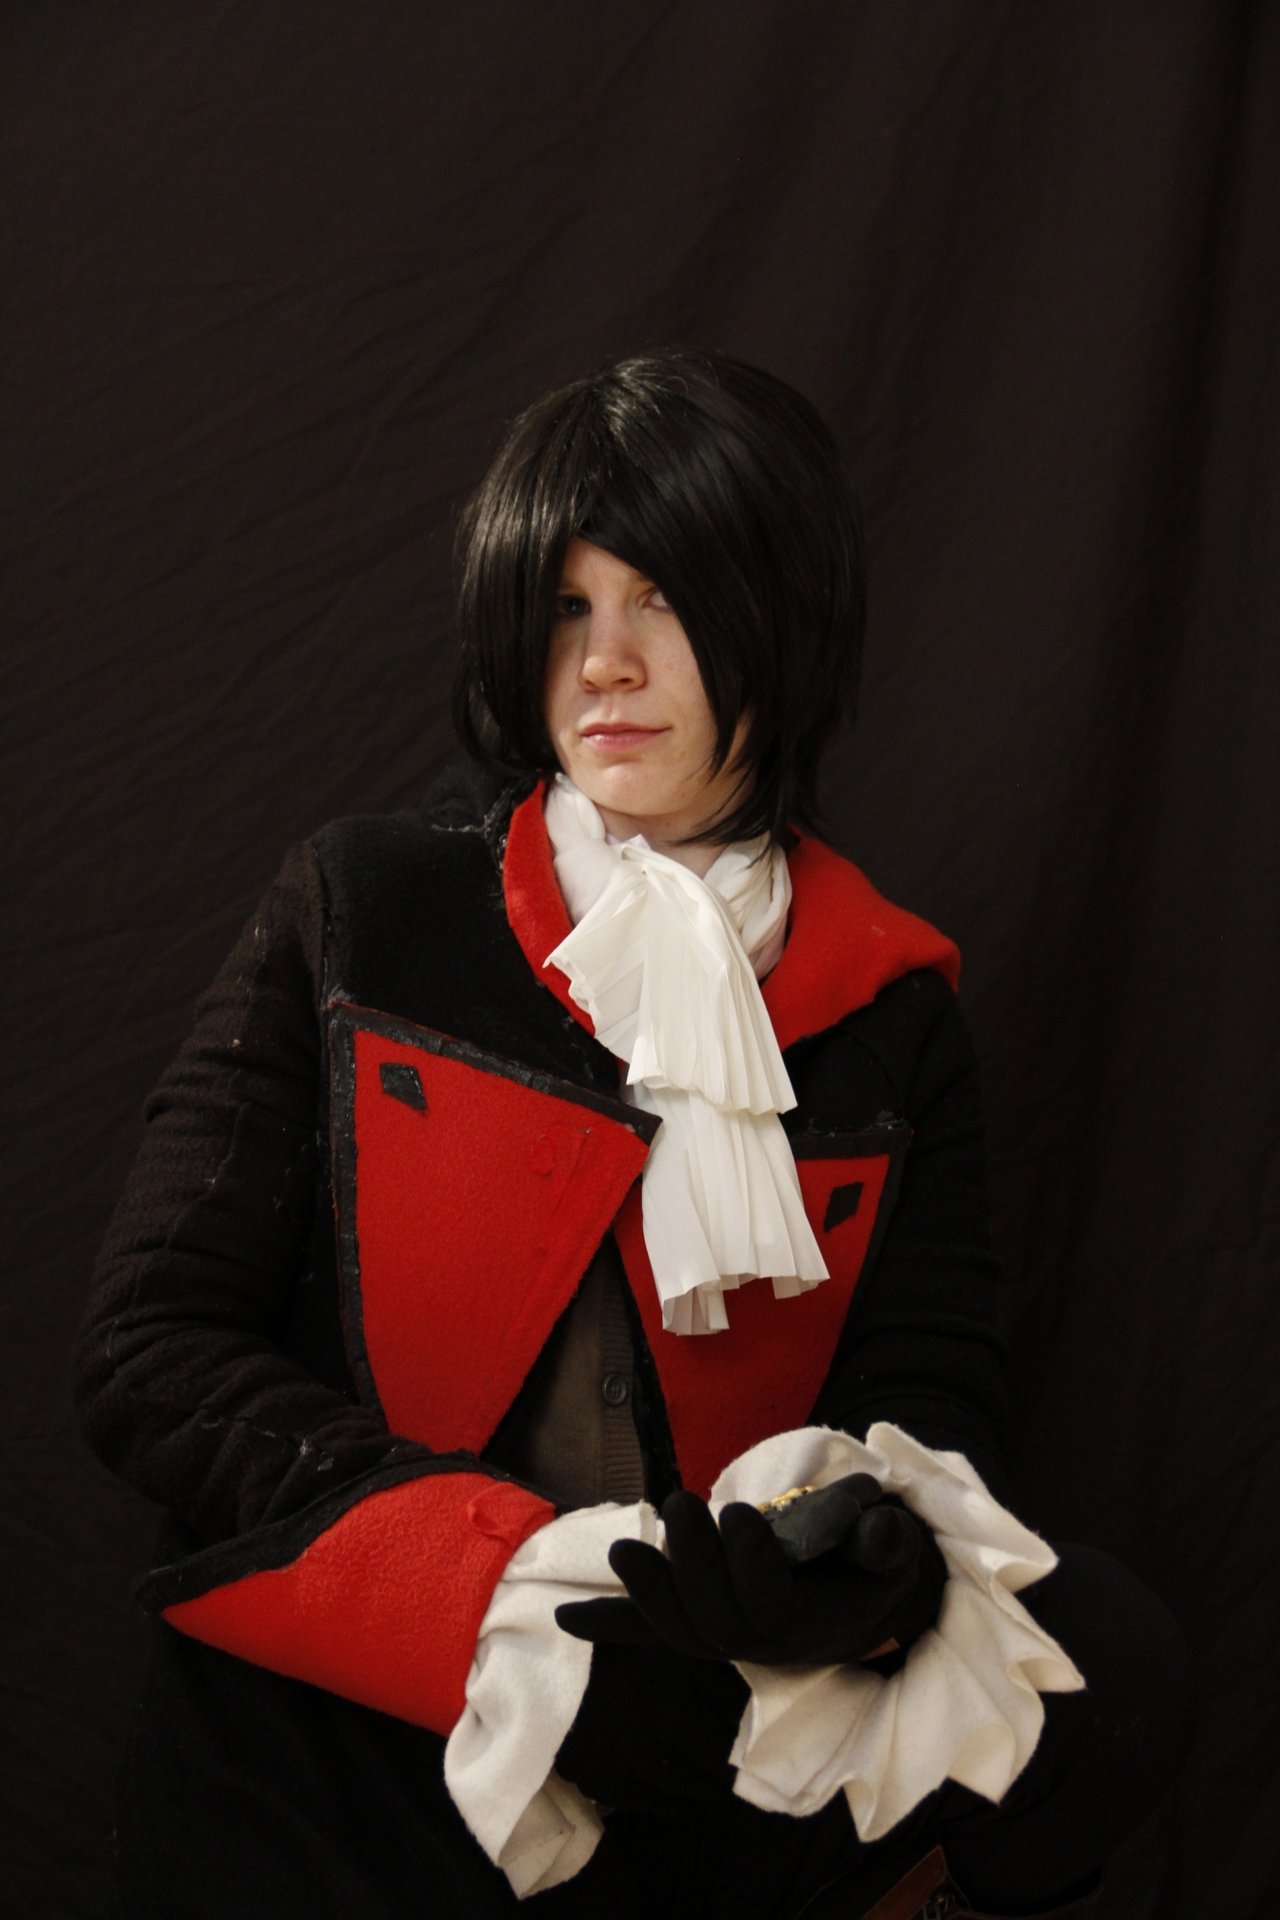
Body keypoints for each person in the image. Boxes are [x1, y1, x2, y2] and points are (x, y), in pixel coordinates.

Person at [75, 350, 1191, 1920]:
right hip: (377, 1680)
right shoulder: (363, 909)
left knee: (1103, 1667)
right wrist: (496, 1597)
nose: (603, 661)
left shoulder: (890, 1010)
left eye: (662, 601)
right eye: (565, 606)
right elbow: (149, 1348)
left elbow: (929, 1393)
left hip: (711, 1684)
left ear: (781, 622)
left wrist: (844, 1546)